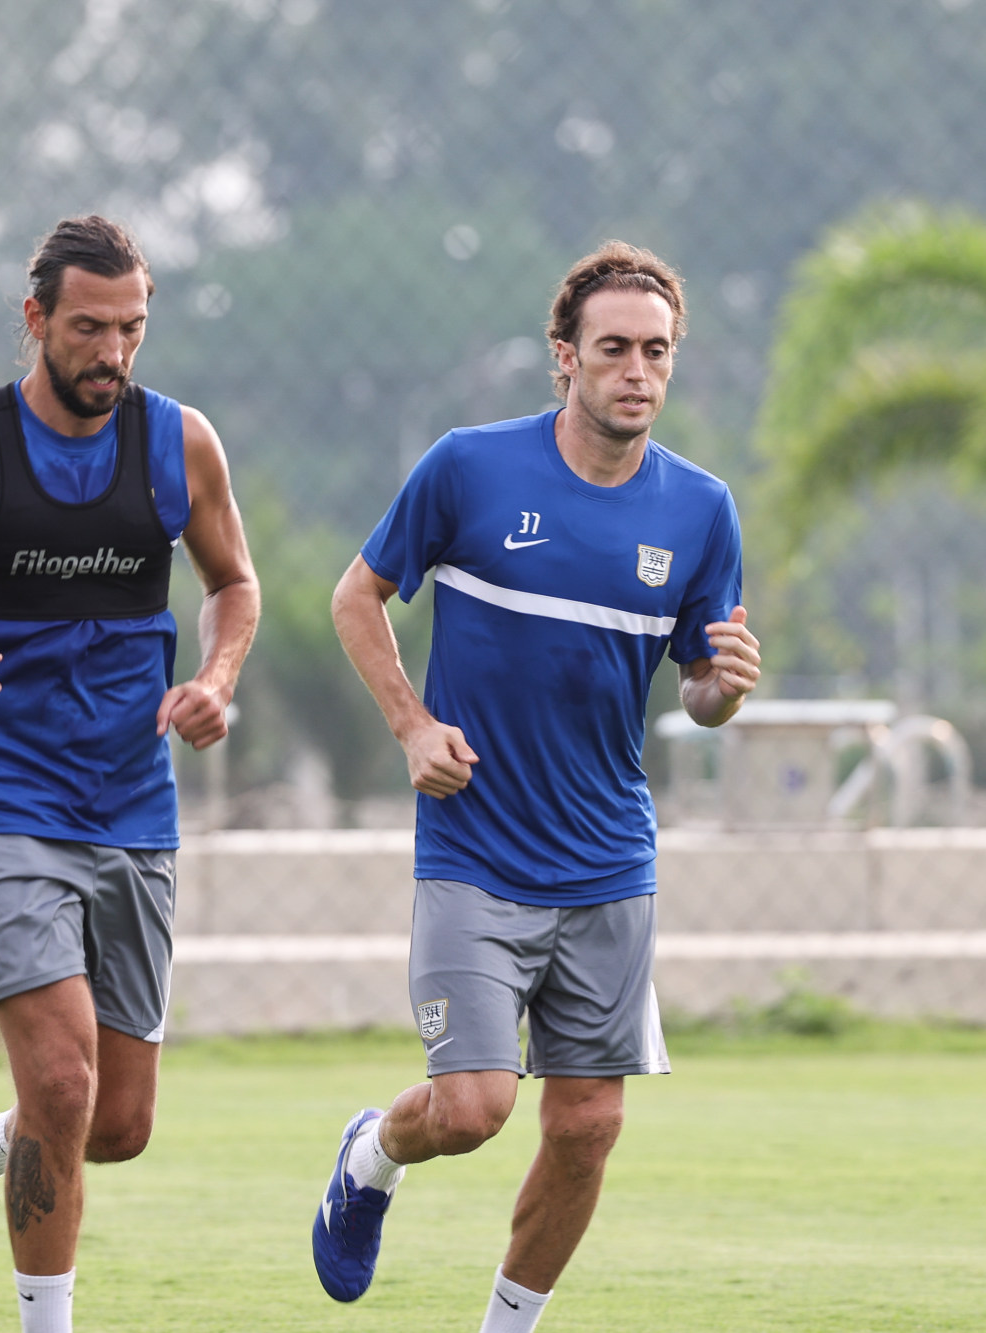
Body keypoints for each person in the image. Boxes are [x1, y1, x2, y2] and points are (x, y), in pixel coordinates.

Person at [312, 242, 763, 1331]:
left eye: (655, 352)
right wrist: (411, 725)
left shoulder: (700, 511)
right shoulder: (468, 468)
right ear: (562, 358)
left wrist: (722, 691)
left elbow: (697, 692)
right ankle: (371, 1154)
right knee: (472, 1109)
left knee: (586, 1126)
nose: (636, 372)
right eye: (611, 349)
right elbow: (354, 598)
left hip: (608, 858)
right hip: (474, 847)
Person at [0, 215, 260, 1333]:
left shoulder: (180, 446)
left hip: (130, 801)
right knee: (62, 1086)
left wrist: (216, 677)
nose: (111, 353)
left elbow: (233, 584)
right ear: (33, 320)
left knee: (114, 1121)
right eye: (87, 328)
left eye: (130, 328)